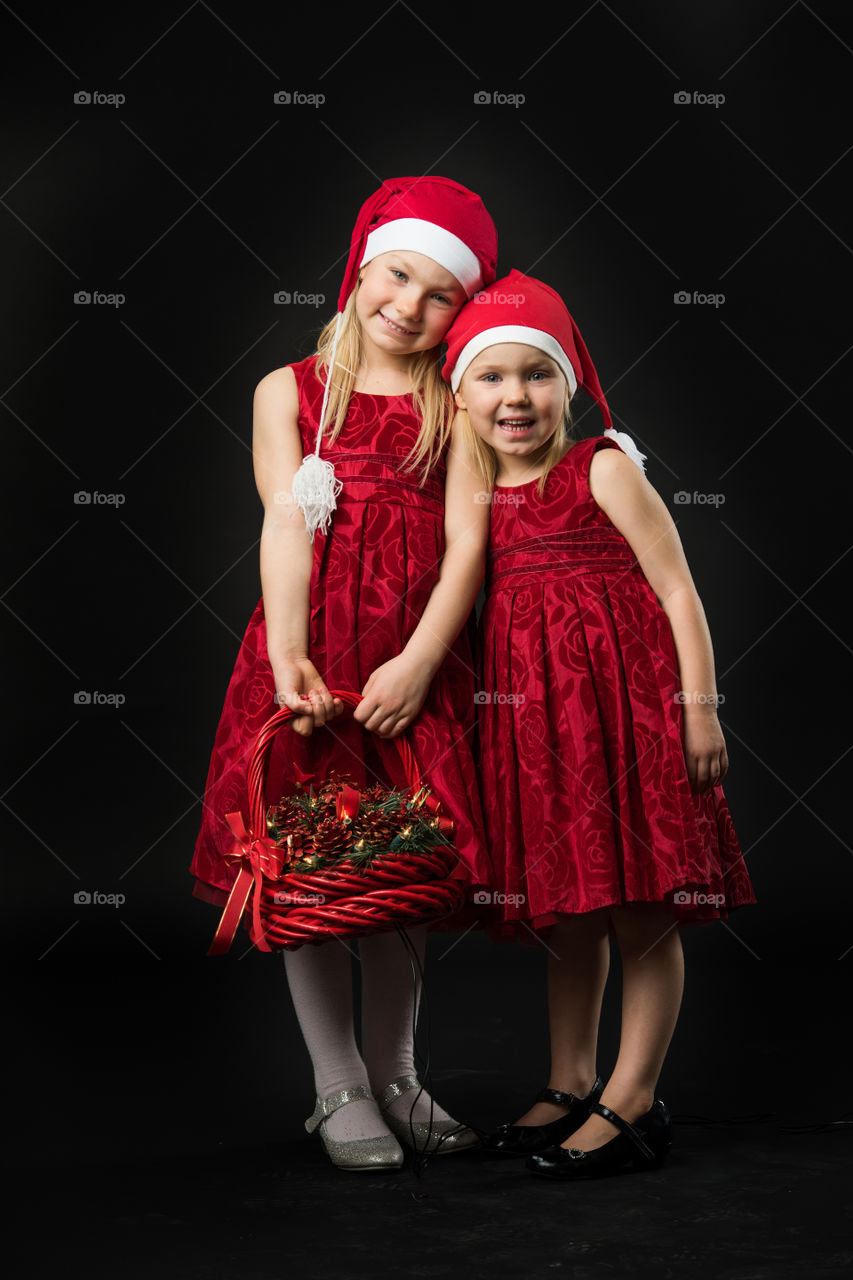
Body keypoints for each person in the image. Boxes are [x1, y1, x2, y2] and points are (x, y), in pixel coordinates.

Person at [190, 177, 498, 1171]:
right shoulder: (289, 391)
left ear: (462, 308)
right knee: (318, 865)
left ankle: (398, 1071)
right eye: (395, 277)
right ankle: (337, 1084)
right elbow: (286, 521)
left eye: (437, 293)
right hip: (312, 658)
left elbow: (466, 550)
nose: (407, 306)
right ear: (362, 267)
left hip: (412, 664)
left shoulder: (453, 401)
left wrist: (417, 659)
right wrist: (289, 654)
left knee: (399, 872)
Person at [442, 269, 756, 1180]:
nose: (514, 397)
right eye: (490, 377)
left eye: (535, 375)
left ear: (567, 387)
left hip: (631, 719)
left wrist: (699, 712)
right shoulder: (474, 499)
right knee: (569, 914)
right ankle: (569, 1080)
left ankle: (632, 1099)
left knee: (643, 910)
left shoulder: (601, 469)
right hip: (542, 735)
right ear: (460, 394)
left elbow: (678, 591)